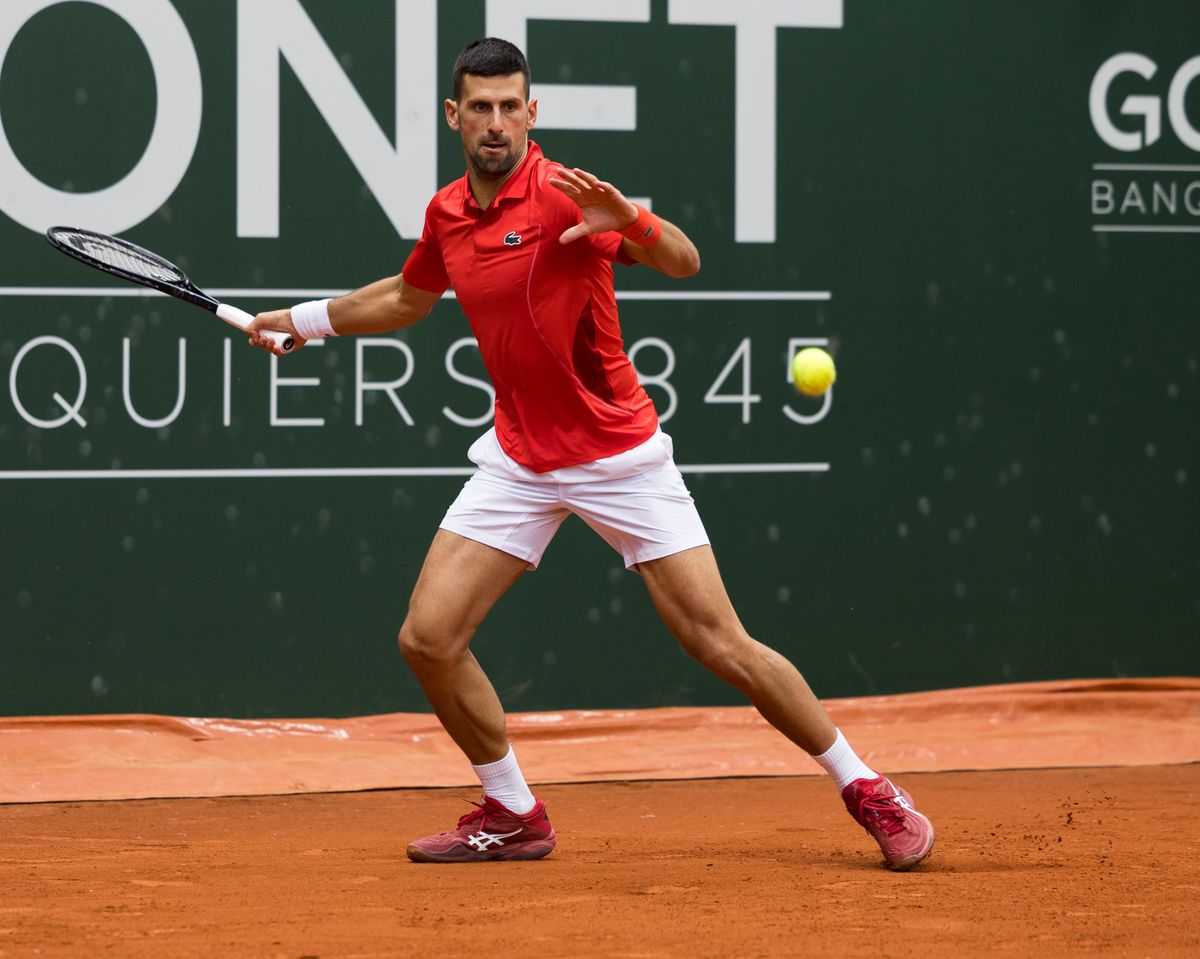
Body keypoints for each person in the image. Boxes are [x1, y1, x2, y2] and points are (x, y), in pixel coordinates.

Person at [247, 38, 934, 871]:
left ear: (532, 114)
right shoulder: (447, 214)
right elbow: (405, 297)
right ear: (453, 116)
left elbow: (683, 260)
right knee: (427, 638)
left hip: (618, 455)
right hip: (519, 459)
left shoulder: (568, 198)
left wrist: (632, 221)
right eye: (481, 107)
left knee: (720, 642)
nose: (496, 123)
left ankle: (866, 786)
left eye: (512, 107)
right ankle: (512, 811)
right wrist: (301, 320)